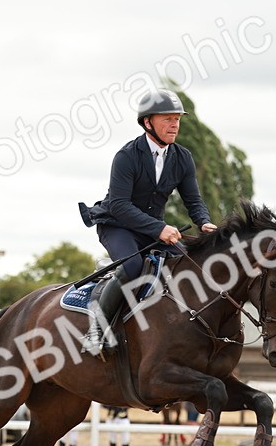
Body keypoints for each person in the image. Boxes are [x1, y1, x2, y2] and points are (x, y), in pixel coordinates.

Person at [78, 88, 218, 356]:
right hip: (117, 225)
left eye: (177, 119)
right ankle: (96, 329)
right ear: (147, 122)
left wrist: (204, 222)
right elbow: (119, 205)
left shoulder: (182, 157)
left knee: (189, 265)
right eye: (167, 119)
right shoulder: (127, 156)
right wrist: (159, 228)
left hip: (151, 230)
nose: (174, 125)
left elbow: (193, 200)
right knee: (133, 266)